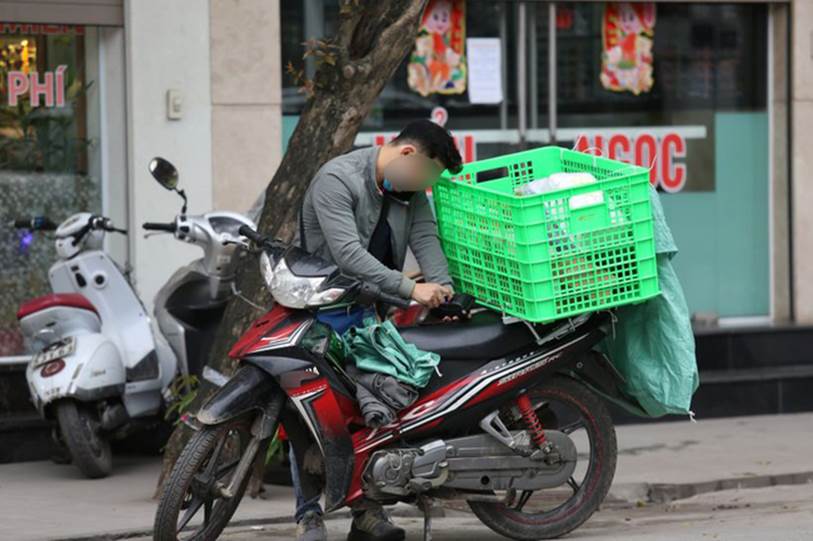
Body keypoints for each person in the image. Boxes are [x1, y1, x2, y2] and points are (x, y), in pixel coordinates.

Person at [292, 119, 463, 541]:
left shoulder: (408, 191)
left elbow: (425, 238)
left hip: (368, 313)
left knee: (372, 408)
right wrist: (412, 289)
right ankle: (308, 515)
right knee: (309, 415)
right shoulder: (337, 180)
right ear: (407, 154)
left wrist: (443, 292)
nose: (425, 186)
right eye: (427, 175)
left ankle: (366, 514)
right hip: (319, 312)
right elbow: (348, 254)